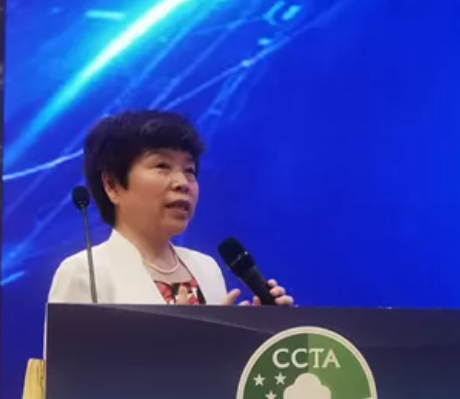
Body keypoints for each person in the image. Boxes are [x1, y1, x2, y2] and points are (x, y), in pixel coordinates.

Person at [48, 110, 294, 307]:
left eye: (189, 170)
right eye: (162, 166)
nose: (182, 183)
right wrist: (172, 341)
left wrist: (260, 333)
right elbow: (68, 358)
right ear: (112, 185)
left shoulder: (206, 268)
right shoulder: (84, 273)